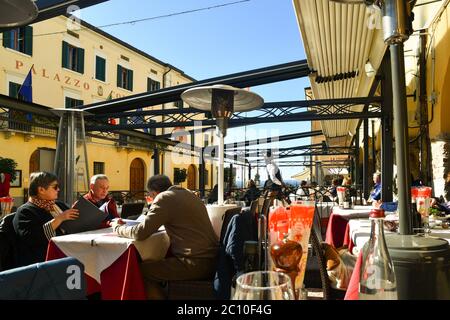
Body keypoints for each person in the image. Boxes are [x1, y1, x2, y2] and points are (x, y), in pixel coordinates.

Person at [111, 174, 219, 299]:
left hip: (195, 263)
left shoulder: (164, 198)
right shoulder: (188, 194)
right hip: (212, 259)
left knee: (140, 271)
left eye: (150, 196)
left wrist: (117, 228)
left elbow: (139, 233)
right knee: (151, 263)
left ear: (154, 193)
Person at [12, 172, 79, 267]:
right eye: (55, 187)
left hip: (66, 256)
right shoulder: (25, 211)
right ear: (41, 190)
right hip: (41, 264)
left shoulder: (59, 205)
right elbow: (32, 238)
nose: (58, 189)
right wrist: (59, 219)